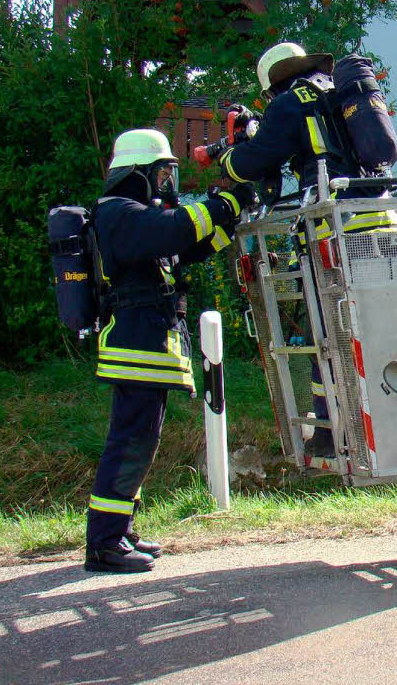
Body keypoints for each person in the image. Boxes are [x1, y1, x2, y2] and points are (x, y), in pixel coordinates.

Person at [217, 42, 397, 458]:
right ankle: (393, 424)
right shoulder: (339, 91)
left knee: (329, 336)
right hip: (384, 221)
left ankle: (331, 436)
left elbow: (254, 161)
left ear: (271, 86)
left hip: (334, 235)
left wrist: (227, 158)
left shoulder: (290, 104)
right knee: (383, 331)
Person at [87, 128, 254, 573]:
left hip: (149, 341)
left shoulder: (138, 217)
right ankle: (103, 544)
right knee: (130, 441)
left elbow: (187, 246)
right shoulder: (118, 212)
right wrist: (220, 204)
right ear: (136, 174)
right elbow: (176, 227)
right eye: (160, 174)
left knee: (141, 440)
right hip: (135, 343)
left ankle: (120, 530)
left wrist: (228, 220)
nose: (166, 184)